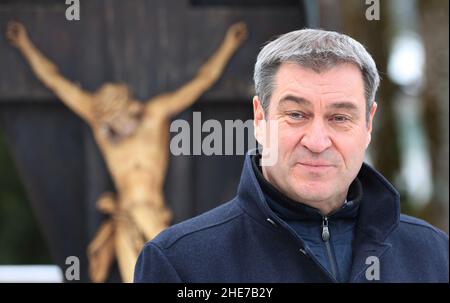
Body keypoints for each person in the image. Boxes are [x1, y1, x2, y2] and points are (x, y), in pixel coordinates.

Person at [133, 28, 449, 283]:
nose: (316, 141)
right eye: (297, 114)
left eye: (340, 118)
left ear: (368, 124)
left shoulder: (434, 254)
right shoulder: (180, 263)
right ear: (260, 119)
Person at [6, 20, 248, 282]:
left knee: (177, 271)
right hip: (125, 216)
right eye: (107, 126)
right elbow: (56, 83)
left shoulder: (155, 116)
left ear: (126, 110)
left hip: (152, 212)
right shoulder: (101, 123)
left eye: (116, 123)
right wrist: (25, 45)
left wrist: (229, 44)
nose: (111, 131)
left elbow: (202, 81)